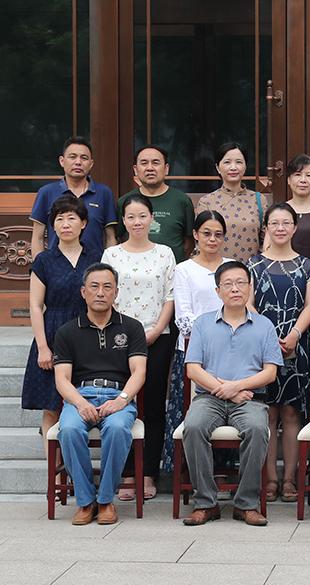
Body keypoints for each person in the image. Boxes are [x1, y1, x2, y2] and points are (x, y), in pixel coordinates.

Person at [181, 260, 283, 526]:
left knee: (257, 430)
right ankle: (206, 503)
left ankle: (246, 504)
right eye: (228, 284)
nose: (235, 289)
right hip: (209, 398)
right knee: (193, 426)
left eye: (241, 283)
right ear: (218, 291)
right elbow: (193, 369)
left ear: (250, 288)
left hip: (249, 400)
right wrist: (226, 391)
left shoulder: (264, 326)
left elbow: (270, 373)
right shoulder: (203, 324)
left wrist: (236, 387)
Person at [51, 263, 147, 525]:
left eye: (107, 287)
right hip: (80, 395)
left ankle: (105, 500)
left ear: (116, 292)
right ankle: (85, 501)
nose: (100, 292)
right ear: (83, 292)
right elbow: (62, 379)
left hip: (118, 395)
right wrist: (80, 403)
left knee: (117, 429)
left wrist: (122, 400)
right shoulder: (67, 331)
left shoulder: (132, 328)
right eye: (94, 286)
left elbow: (139, 372)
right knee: (69, 429)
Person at [102, 193, 176, 502]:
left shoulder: (164, 253)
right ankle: (127, 472)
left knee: (154, 404)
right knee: (123, 402)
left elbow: (170, 295)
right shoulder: (112, 254)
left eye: (142, 216)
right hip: (118, 338)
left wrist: (157, 329)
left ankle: (149, 472)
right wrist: (124, 333)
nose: (137, 222)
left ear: (151, 219)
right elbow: (106, 294)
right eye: (131, 217)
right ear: (123, 221)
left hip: (158, 336)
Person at [22, 195, 103, 457]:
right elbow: (36, 305)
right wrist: (43, 348)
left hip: (88, 334)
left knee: (85, 402)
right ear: (53, 226)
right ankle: (55, 472)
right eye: (59, 219)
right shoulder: (44, 260)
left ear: (83, 223)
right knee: (52, 407)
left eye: (71, 218)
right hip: (53, 332)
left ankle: (78, 465)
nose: (65, 224)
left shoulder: (96, 257)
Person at [248, 203, 310, 503]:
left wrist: (294, 334)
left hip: (296, 345)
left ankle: (289, 479)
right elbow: (248, 304)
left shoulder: (307, 265)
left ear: (294, 227)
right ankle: (270, 479)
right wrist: (268, 336)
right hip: (261, 346)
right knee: (267, 413)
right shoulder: (254, 264)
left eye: (286, 222)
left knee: (291, 413)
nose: (280, 228)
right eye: (274, 223)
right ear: (266, 227)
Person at [165, 210, 233, 474]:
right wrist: (217, 334)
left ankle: (223, 470)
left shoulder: (232, 267)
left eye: (218, 234)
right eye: (206, 233)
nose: (212, 239)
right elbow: (184, 318)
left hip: (230, 353)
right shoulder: (184, 269)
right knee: (191, 413)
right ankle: (186, 472)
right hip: (193, 351)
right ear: (195, 235)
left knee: (226, 411)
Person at [30, 136, 117, 255]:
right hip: (56, 264)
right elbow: (37, 238)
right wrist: (40, 265)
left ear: (91, 164)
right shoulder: (46, 192)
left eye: (84, 158)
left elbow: (110, 238)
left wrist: (108, 265)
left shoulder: (104, 193)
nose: (78, 162)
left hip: (94, 265)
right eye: (72, 157)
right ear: (62, 161)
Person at [195, 142, 272, 263]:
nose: (233, 167)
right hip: (216, 270)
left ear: (245, 166)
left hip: (250, 270)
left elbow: (267, 240)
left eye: (239, 162)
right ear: (218, 168)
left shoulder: (258, 200)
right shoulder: (207, 202)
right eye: (227, 162)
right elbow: (201, 242)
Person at [117, 144, 195, 263]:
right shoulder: (124, 201)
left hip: (173, 269)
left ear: (166, 168)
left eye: (155, 163)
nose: (150, 168)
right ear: (135, 169)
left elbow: (189, 241)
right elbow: (119, 237)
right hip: (133, 267)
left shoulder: (181, 201)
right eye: (144, 163)